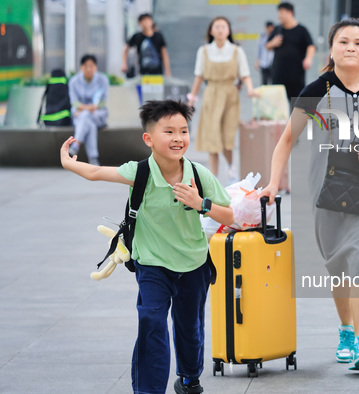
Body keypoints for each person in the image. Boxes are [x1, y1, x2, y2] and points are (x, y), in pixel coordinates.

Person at [60, 99, 234, 394]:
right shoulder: (139, 172)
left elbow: (229, 216)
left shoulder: (198, 175)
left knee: (189, 330)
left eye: (183, 131)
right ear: (149, 139)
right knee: (151, 321)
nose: (178, 138)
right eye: (169, 132)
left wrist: (200, 203)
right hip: (152, 265)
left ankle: (190, 379)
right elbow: (96, 172)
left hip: (193, 265)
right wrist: (68, 161)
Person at [261, 18, 359, 371]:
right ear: (332, 49)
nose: (351, 47)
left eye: (358, 43)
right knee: (339, 264)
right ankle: (345, 329)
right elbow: (286, 142)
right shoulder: (317, 89)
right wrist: (272, 182)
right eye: (344, 42)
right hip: (325, 189)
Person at [188, 16, 257, 180]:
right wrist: (192, 98)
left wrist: (250, 89)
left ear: (228, 31)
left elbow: (245, 74)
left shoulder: (236, 51)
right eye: (216, 26)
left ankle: (231, 167)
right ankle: (214, 175)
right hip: (211, 94)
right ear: (211, 31)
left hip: (230, 96)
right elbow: (198, 76)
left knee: (228, 137)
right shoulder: (203, 51)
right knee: (212, 137)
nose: (220, 29)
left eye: (223, 27)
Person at [266, 2, 316, 101]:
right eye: (279, 13)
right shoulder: (277, 29)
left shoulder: (301, 30)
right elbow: (267, 46)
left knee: (297, 103)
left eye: (281, 13)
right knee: (277, 104)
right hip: (278, 73)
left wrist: (309, 59)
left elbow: (311, 46)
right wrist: (273, 43)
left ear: (290, 13)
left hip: (296, 75)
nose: (279, 16)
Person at [67, 54, 109, 166]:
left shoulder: (102, 80)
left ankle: (76, 144)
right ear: (81, 67)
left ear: (96, 67)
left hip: (98, 114)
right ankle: (93, 159)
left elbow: (102, 102)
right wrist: (87, 108)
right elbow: (74, 102)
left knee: (86, 116)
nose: (89, 69)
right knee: (89, 123)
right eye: (86, 66)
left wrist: (85, 109)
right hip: (80, 115)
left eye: (92, 66)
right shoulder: (74, 81)